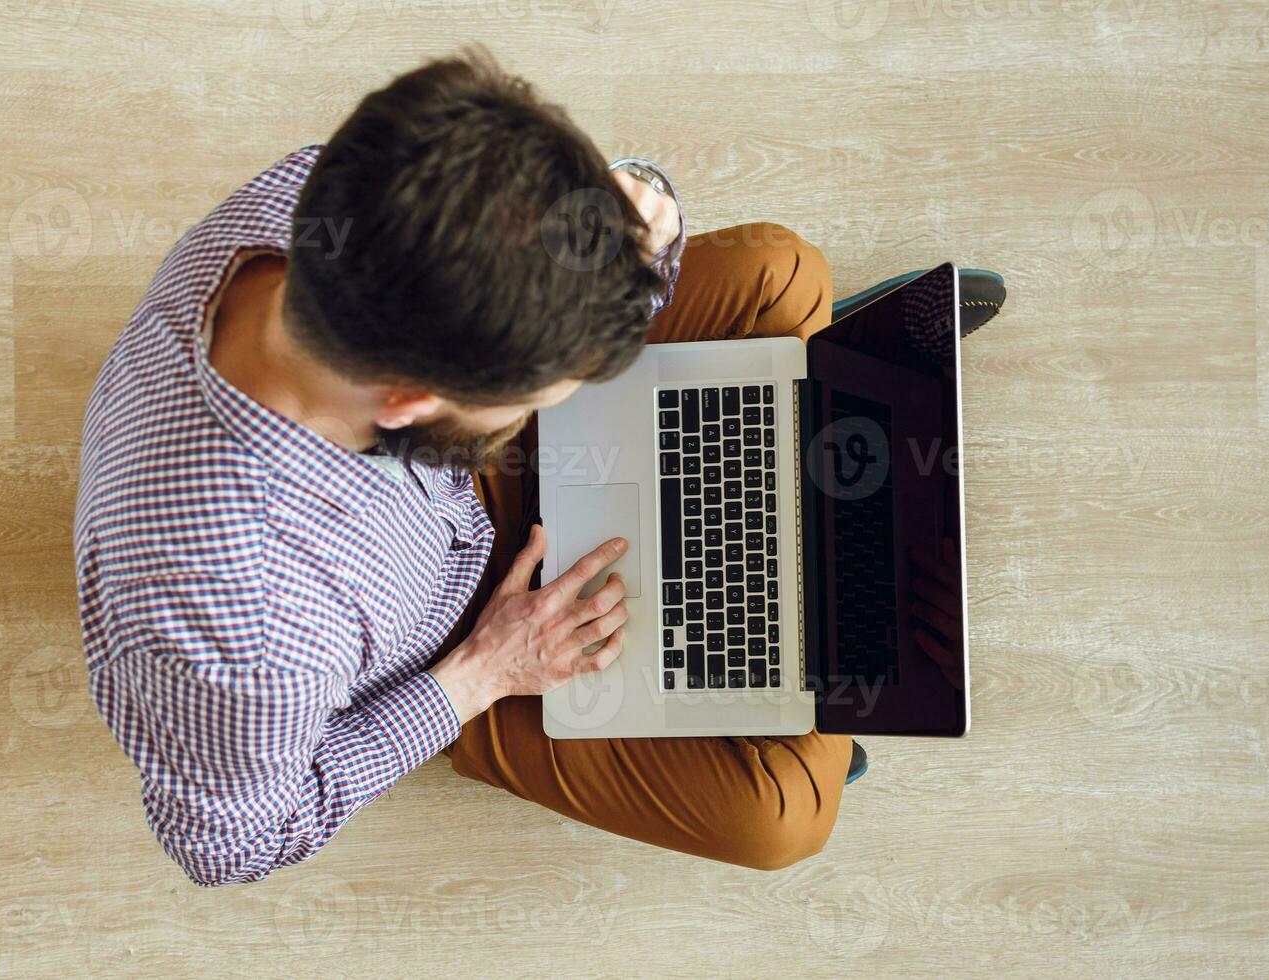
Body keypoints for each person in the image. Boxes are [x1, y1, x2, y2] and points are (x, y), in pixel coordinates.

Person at [76, 46, 858, 887]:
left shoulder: (348, 185)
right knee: (781, 814)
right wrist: (483, 673)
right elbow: (230, 848)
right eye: (544, 395)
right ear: (411, 398)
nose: (556, 405)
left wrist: (633, 230)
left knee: (781, 270)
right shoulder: (242, 636)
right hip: (458, 645)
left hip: (449, 472)